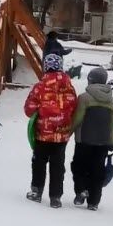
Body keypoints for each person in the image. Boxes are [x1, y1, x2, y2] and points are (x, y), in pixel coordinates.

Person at [25, 54, 78, 208]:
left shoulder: (40, 87)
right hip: (61, 135)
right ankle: (56, 197)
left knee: (39, 162)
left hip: (43, 133)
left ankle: (36, 191)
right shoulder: (69, 87)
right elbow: (74, 107)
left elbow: (29, 109)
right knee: (58, 165)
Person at [70, 67, 113, 211]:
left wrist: (68, 131)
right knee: (97, 170)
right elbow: (112, 123)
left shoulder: (84, 98)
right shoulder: (110, 101)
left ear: (90, 80)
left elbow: (78, 118)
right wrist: (112, 141)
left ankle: (81, 190)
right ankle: (94, 201)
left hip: (84, 140)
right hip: (103, 142)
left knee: (78, 166)